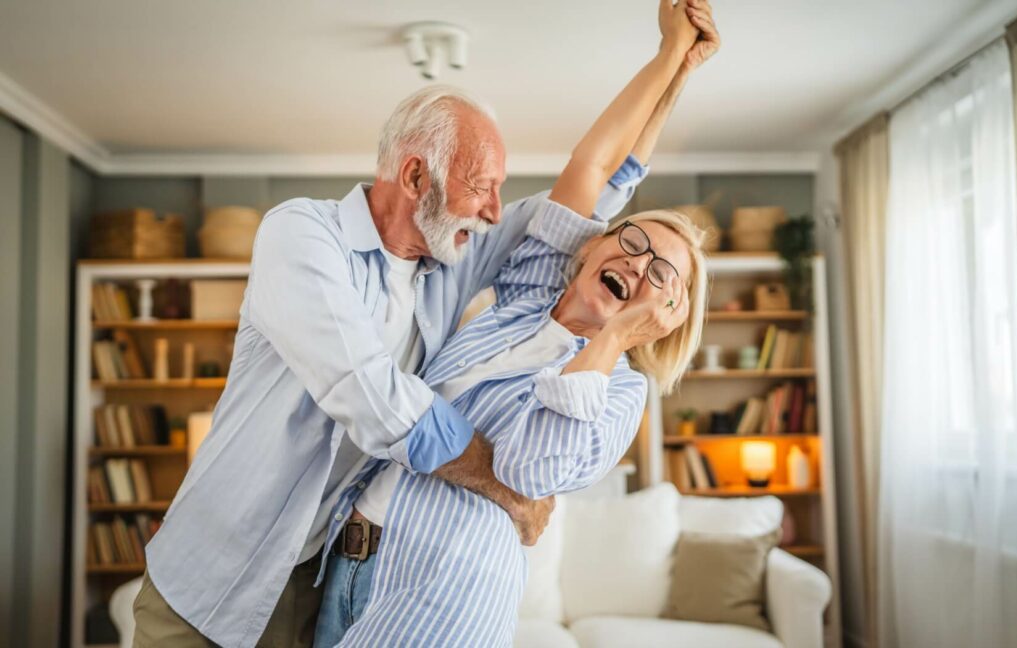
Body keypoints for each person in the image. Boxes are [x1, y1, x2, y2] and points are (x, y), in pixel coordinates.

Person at [132, 38, 653, 648]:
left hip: (309, 579)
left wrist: (674, 64)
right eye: (483, 187)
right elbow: (371, 396)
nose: (494, 211)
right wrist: (507, 487)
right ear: (415, 176)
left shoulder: (451, 253)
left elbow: (583, 203)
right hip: (211, 578)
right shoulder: (302, 234)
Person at [314, 1, 720, 645]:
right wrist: (671, 60)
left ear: (669, 317)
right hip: (352, 560)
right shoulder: (530, 297)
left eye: (663, 276)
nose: (639, 266)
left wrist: (613, 337)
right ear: (589, 248)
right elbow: (593, 167)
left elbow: (530, 470)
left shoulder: (618, 392)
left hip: (445, 594)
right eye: (633, 241)